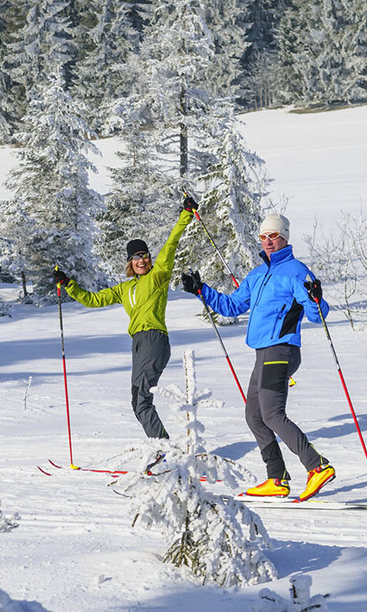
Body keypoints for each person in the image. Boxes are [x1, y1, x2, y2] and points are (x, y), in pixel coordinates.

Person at [181, 213, 334, 501]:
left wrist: (316, 298)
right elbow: (231, 306)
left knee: (272, 414)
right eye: (263, 237)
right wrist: (202, 290)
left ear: (285, 237)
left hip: (282, 349)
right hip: (264, 353)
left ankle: (318, 467)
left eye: (273, 236)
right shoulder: (258, 274)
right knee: (255, 416)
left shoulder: (296, 272)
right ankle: (276, 478)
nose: (268, 242)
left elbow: (317, 315)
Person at [53, 195, 197, 439]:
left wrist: (187, 214)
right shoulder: (124, 288)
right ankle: (161, 446)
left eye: (145, 255)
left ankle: (163, 449)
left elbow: (170, 245)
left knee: (142, 399)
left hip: (154, 339)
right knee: (136, 400)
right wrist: (68, 284)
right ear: (130, 262)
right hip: (138, 343)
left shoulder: (157, 277)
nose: (142, 260)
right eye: (136, 257)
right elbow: (92, 299)